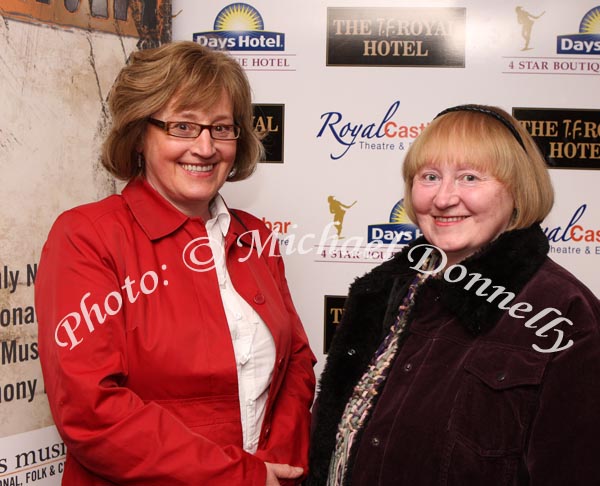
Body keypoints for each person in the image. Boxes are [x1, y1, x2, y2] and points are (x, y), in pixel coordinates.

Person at [35, 41, 316, 485]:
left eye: (221, 128)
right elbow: (90, 410)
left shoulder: (255, 235)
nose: (205, 148)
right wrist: (243, 476)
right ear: (139, 134)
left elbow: (296, 364)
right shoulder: (86, 236)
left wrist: (276, 466)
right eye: (183, 126)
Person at [306, 104, 600, 485]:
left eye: (470, 178)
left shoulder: (563, 313)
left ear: (518, 190)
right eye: (429, 176)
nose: (443, 198)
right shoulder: (385, 291)